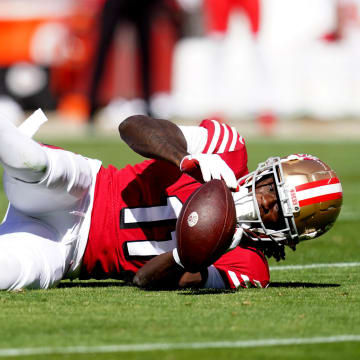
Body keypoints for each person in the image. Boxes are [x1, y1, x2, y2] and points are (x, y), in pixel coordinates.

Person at [0, 110, 342, 291]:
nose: (268, 203)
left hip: (67, 254)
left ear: (289, 235)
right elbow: (132, 126)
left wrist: (191, 252)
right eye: (273, 188)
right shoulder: (227, 149)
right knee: (32, 161)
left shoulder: (249, 267)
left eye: (280, 213)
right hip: (84, 188)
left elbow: (144, 280)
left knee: (11, 273)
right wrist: (184, 158)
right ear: (267, 171)